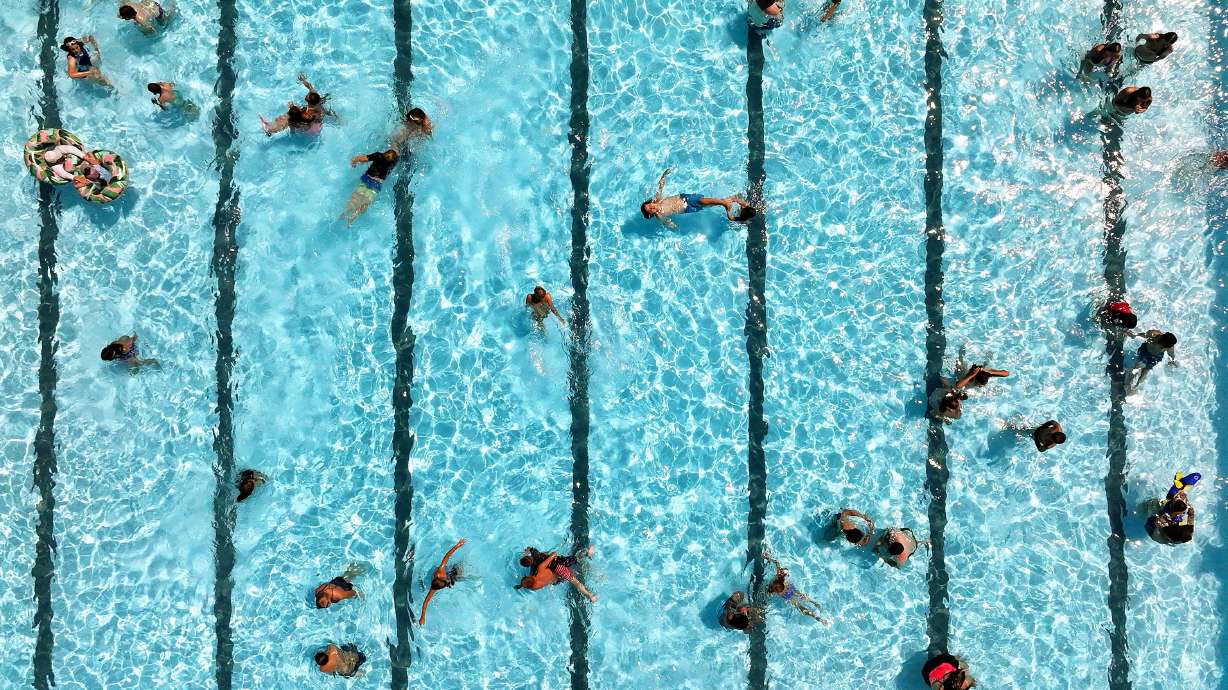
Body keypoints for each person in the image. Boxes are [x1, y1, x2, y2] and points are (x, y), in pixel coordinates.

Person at [640, 168, 756, 229]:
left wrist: (664, 176)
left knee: (701, 201)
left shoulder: (658, 199)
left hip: (685, 198)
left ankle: (724, 203)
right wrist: (673, 226)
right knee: (708, 204)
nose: (652, 206)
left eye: (650, 205)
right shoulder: (660, 216)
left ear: (651, 202)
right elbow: (667, 222)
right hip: (687, 209)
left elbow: (660, 187)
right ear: (651, 214)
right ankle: (733, 204)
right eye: (650, 209)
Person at [515, 546, 598, 603]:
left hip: (556, 579)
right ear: (528, 576)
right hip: (558, 566)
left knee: (574, 581)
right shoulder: (539, 568)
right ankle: (587, 552)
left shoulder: (533, 587)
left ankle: (589, 595)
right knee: (576, 559)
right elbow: (553, 554)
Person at [762, 551, 827, 623]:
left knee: (799, 607)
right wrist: (768, 557)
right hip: (791, 588)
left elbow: (777, 563)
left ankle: (815, 616)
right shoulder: (780, 577)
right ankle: (814, 604)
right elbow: (777, 562)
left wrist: (768, 557)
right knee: (802, 597)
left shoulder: (774, 590)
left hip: (788, 596)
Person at [260, 74, 334, 135]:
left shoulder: (311, 113)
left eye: (307, 96)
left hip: (312, 127)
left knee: (290, 119)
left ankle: (270, 131)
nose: (307, 95)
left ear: (310, 102)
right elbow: (310, 86)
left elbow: (303, 118)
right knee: (292, 113)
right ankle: (271, 125)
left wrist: (292, 107)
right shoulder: (315, 97)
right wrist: (303, 80)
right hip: (311, 117)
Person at [341, 149, 398, 226]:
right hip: (376, 185)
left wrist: (354, 160)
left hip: (366, 180)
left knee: (355, 198)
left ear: (384, 153)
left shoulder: (378, 155)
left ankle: (344, 213)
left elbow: (362, 159)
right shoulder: (393, 162)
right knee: (365, 203)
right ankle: (352, 218)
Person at [418, 538, 465, 626]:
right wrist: (422, 617)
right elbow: (425, 602)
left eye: (444, 583)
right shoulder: (434, 587)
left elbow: (447, 556)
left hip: (448, 571)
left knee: (458, 570)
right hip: (448, 578)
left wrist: (457, 545)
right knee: (457, 579)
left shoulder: (440, 571)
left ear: (440, 578)